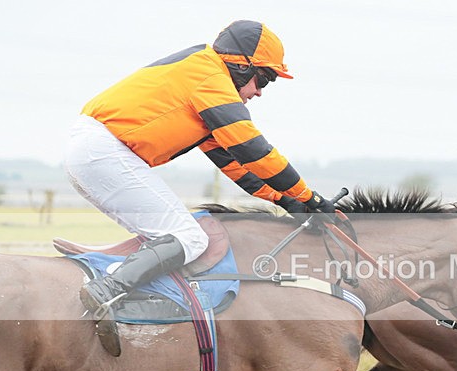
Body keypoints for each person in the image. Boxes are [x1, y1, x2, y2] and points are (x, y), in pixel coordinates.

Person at [65, 20, 335, 320]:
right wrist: (309, 197)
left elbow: (234, 162)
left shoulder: (205, 78)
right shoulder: (209, 77)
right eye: (265, 79)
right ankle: (107, 291)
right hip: (104, 152)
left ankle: (128, 297)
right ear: (242, 66)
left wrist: (286, 200)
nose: (259, 92)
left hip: (98, 151)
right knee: (189, 238)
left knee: (172, 237)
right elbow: (253, 150)